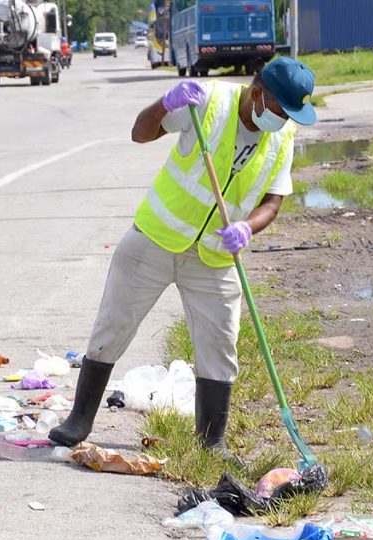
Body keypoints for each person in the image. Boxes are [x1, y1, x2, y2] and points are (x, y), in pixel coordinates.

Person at [49, 58, 318, 463]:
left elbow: (274, 200)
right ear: (259, 93)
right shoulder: (208, 101)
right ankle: (79, 420)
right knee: (113, 325)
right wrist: (163, 103)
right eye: (282, 111)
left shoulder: (283, 136)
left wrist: (247, 228)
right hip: (154, 240)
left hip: (213, 255)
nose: (284, 121)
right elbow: (140, 133)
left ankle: (212, 442)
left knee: (219, 343)